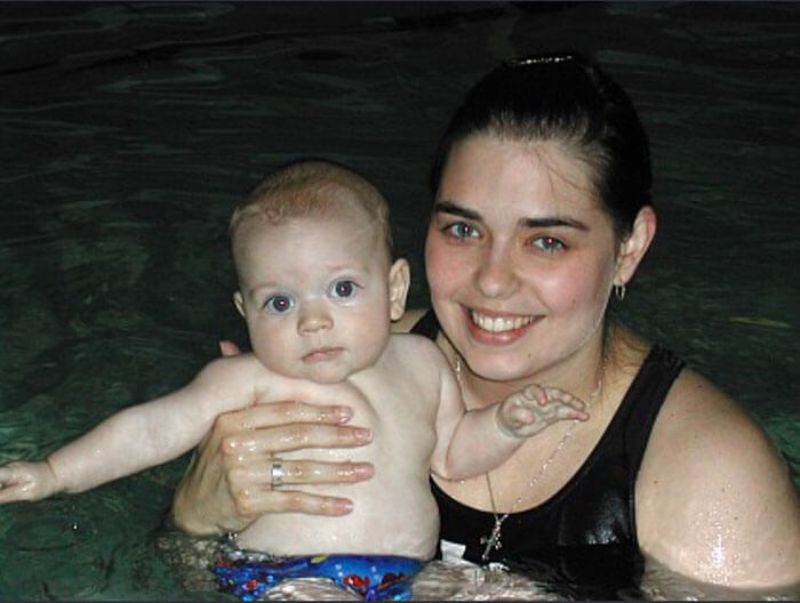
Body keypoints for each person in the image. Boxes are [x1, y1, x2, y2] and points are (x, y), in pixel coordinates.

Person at [170, 53, 800, 598]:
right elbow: (192, 580)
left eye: (547, 241)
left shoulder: (712, 477)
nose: (492, 281)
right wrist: (197, 522)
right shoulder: (341, 367)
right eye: (463, 229)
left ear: (629, 247)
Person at [0, 159, 588, 601]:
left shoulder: (422, 365)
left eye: (341, 289)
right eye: (279, 302)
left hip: (409, 577)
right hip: (286, 577)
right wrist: (55, 473)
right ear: (244, 311)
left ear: (396, 290)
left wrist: (508, 424)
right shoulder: (246, 379)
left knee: (517, 593)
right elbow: (150, 430)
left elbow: (456, 455)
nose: (312, 320)